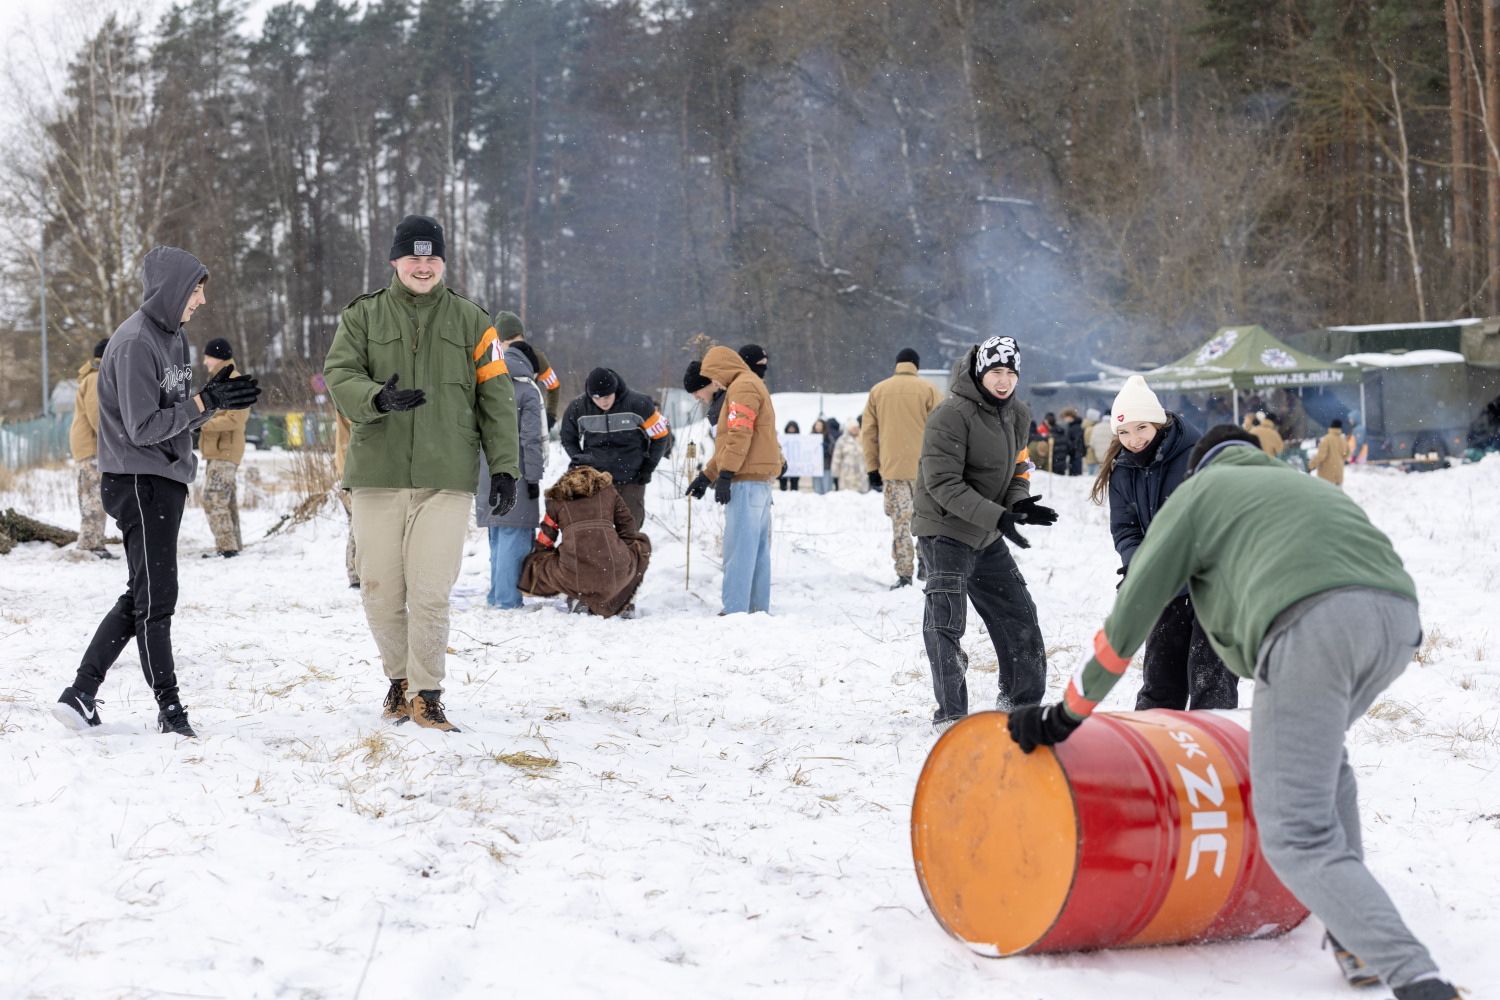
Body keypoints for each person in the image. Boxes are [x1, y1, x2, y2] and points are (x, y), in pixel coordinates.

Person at [1008, 424, 1459, 1000]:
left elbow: (1129, 619)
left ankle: (1416, 977)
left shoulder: (1199, 495)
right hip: (1396, 625)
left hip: (1308, 630)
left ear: (1199, 468)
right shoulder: (1301, 486)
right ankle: (1356, 940)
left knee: (1295, 835)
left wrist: (1064, 716)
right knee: (1328, 762)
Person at [325, 214, 520, 734]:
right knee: (380, 589)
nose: (423, 266)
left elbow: (497, 398)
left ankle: (427, 694)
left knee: (431, 590)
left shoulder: (474, 322)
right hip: (377, 473)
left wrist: (504, 468)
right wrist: (377, 398)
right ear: (394, 261)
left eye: (432, 257)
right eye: (412, 257)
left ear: (443, 263)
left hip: (446, 476)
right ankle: (399, 681)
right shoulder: (363, 317)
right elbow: (338, 374)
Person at [54, 247, 260, 738]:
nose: (202, 300)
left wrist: (214, 400)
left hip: (163, 478)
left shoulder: (175, 339)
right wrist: (202, 401)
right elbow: (143, 426)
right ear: (172, 291)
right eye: (196, 290)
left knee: (142, 592)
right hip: (137, 481)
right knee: (158, 597)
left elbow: (177, 410)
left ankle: (81, 693)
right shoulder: (133, 344)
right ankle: (170, 710)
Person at [911, 336, 1057, 725]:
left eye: (1011, 372)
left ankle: (1020, 706)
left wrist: (1018, 503)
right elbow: (942, 483)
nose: (1004, 380)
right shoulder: (950, 414)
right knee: (946, 621)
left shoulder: (1018, 414)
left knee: (1019, 616)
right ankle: (952, 716)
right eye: (996, 371)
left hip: (988, 531)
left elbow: (1019, 468)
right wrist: (998, 516)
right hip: (945, 528)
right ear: (980, 372)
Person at [1089, 375, 1237, 711]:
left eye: (1141, 428)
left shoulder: (1199, 458)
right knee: (1160, 682)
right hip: (1166, 587)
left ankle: (1211, 755)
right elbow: (1126, 529)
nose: (1133, 439)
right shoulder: (1123, 469)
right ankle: (1151, 753)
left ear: (1158, 421)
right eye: (1123, 432)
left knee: (1210, 682)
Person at [684, 347, 781, 615]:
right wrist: (707, 476)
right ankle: (756, 608)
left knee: (739, 548)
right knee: (755, 549)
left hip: (745, 479)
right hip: (755, 478)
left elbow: (740, 433)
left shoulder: (742, 387)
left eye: (713, 375)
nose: (715, 382)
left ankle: (735, 610)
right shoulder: (749, 384)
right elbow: (730, 443)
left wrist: (726, 475)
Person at [520, 463, 650, 618]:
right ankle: (626, 600)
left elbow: (546, 538)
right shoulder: (608, 491)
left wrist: (541, 557)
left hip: (573, 572)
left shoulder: (557, 498)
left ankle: (575, 597)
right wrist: (624, 546)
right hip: (614, 567)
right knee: (640, 544)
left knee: (538, 563)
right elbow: (627, 524)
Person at [862, 347, 944, 588]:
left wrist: (872, 467)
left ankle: (904, 574)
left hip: (892, 470)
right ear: (916, 366)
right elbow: (942, 430)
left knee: (900, 521)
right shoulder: (929, 390)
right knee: (927, 519)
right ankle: (924, 564)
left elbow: (868, 433)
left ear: (897, 364)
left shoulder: (878, 390)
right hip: (925, 471)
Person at [559, 366, 672, 531]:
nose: (603, 402)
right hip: (595, 479)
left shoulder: (639, 404)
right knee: (597, 534)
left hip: (631, 478)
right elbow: (568, 437)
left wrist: (648, 468)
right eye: (597, 398)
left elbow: (661, 436)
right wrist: (579, 459)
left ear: (615, 391)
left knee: (628, 531)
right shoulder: (578, 407)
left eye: (607, 396)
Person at [478, 342, 547, 609]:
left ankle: (496, 597)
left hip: (487, 471)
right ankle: (507, 602)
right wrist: (533, 478)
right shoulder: (527, 391)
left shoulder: (487, 382)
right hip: (515, 472)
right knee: (514, 538)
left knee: (497, 536)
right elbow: (531, 440)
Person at [197, 337, 251, 558]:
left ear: (216, 357)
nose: (204, 362)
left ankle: (227, 547)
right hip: (219, 450)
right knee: (225, 498)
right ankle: (232, 546)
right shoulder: (221, 381)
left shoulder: (233, 381)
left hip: (226, 450)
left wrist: (202, 424)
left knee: (214, 496)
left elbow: (236, 419)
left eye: (207, 357)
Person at [69, 338, 114, 559]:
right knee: (93, 497)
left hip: (89, 446)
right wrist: (115, 442)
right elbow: (98, 418)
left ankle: (95, 543)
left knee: (94, 495)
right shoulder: (96, 378)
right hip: (91, 447)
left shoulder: (94, 376)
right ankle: (88, 545)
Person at [495, 311, 562, 429]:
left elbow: (554, 387)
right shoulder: (495, 360)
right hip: (508, 421)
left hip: (526, 420)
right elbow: (554, 386)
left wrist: (550, 416)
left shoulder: (536, 358)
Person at [333, 410, 359, 588]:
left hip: (350, 467)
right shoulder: (350, 402)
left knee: (356, 523)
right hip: (354, 470)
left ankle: (355, 573)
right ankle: (356, 574)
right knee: (358, 524)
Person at [1309, 418, 1352, 487]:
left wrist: (1311, 465)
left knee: (1326, 496)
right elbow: (1348, 454)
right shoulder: (1343, 439)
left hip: (1326, 475)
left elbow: (1321, 455)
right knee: (1338, 496)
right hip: (1339, 474)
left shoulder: (1326, 439)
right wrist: (1340, 459)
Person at [831, 415, 868, 492]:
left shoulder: (862, 439)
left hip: (861, 473)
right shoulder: (842, 440)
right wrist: (835, 474)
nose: (855, 430)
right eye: (853, 428)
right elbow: (836, 457)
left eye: (856, 427)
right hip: (847, 473)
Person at [811, 418, 839, 494]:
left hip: (826, 465)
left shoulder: (828, 437)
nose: (818, 427)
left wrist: (827, 449)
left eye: (820, 425)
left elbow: (833, 450)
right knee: (817, 489)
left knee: (827, 489)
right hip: (816, 467)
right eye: (817, 425)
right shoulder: (811, 437)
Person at [1087, 407, 1113, 478]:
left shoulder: (1095, 427)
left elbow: (1091, 443)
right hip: (1112, 458)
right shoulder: (1114, 427)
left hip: (1099, 458)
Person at [1059, 407, 1085, 476]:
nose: (1065, 419)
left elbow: (1077, 441)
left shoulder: (1075, 427)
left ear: (1070, 417)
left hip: (1075, 454)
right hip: (1075, 454)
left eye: (1065, 417)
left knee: (1075, 475)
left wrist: (1070, 448)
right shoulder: (1073, 426)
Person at [779, 420, 802, 491]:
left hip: (795, 466)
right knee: (783, 484)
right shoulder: (782, 439)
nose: (791, 430)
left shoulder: (801, 440)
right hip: (785, 464)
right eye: (790, 428)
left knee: (794, 485)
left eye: (793, 428)